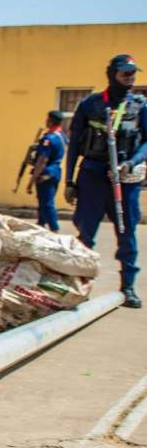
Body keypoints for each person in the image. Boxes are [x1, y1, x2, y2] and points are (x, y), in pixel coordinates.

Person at [65, 54, 146, 309]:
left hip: (124, 180)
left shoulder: (140, 105)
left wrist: (130, 163)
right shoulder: (91, 104)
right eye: (124, 73)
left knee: (127, 231)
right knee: (85, 233)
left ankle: (128, 286)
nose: (129, 78)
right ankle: (79, 285)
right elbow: (75, 144)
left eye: (132, 73)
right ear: (112, 74)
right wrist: (69, 181)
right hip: (92, 175)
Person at [26, 110, 68, 232]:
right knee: (45, 202)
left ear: (50, 121)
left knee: (46, 203)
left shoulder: (49, 139)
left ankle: (55, 229)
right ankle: (41, 225)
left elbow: (42, 160)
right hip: (55, 172)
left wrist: (32, 179)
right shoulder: (62, 137)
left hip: (46, 174)